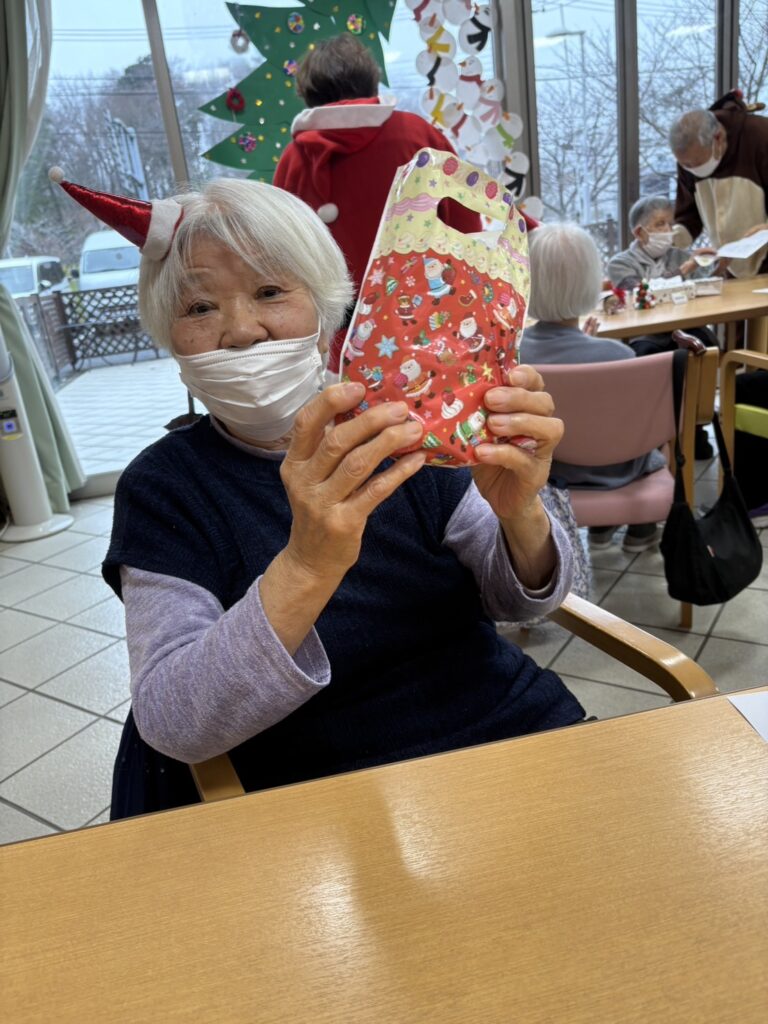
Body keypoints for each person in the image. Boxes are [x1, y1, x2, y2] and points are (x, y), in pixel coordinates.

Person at [50, 171, 586, 820]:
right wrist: (306, 565)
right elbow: (172, 720)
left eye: (270, 291)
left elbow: (521, 601)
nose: (241, 330)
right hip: (328, 798)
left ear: (326, 306)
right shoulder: (165, 488)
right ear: (169, 334)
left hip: (508, 735)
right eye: (199, 308)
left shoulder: (405, 423)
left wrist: (521, 513)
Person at [273, 34, 481, 372]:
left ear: (309, 94)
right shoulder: (419, 137)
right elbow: (467, 226)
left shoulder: (294, 160)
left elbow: (279, 257)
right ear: (370, 82)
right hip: (428, 320)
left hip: (335, 342)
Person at [520, 222, 666, 553]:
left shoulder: (512, 358)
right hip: (619, 474)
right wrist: (590, 347)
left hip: (548, 476)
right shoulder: (620, 356)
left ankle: (602, 529)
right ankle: (638, 529)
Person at [606, 194, 718, 460]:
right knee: (646, 356)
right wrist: (683, 271)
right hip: (646, 335)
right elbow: (640, 293)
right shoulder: (620, 263)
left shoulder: (679, 255)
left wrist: (715, 261)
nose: (668, 230)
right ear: (639, 232)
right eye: (659, 224)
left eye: (670, 223)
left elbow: (707, 284)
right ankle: (654, 434)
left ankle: (696, 426)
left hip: (685, 328)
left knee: (707, 343)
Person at [669, 90, 768, 279]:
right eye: (685, 165)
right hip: (728, 267)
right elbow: (688, 216)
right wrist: (668, 238)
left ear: (718, 138)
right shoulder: (688, 155)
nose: (692, 169)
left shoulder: (761, 137)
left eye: (697, 162)